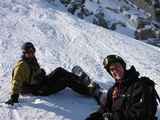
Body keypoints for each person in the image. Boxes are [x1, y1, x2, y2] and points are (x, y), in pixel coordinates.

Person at [5, 42, 101, 105]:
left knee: (59, 70)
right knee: (66, 81)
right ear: (24, 53)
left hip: (41, 81)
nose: (31, 53)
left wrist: (41, 73)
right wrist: (14, 97)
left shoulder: (31, 60)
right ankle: (88, 91)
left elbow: (34, 72)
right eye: (28, 52)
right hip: (38, 89)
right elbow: (16, 81)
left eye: (33, 51)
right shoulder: (21, 66)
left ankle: (80, 80)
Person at [86, 55, 159, 120]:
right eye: (112, 69)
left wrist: (112, 117)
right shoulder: (113, 89)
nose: (115, 70)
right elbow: (106, 107)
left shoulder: (140, 85)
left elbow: (141, 114)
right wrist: (97, 115)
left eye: (117, 66)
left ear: (123, 67)